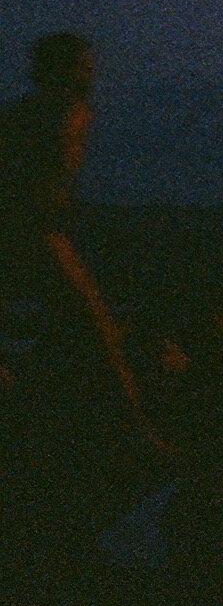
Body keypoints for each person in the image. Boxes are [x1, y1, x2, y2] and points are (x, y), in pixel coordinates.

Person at [1, 35, 167, 468]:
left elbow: (60, 184)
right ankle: (133, 436)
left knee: (94, 325)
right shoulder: (28, 118)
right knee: (93, 325)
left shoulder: (77, 114)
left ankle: (124, 432)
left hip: (44, 233)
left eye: (90, 66)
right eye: (81, 65)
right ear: (58, 70)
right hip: (23, 234)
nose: (90, 73)